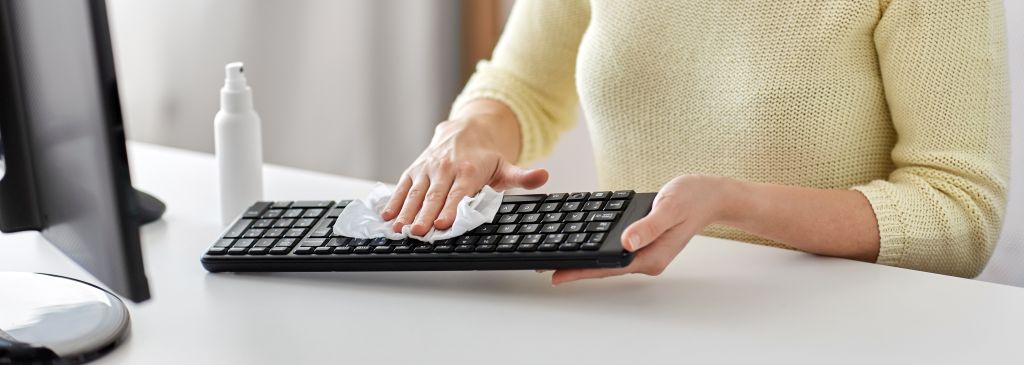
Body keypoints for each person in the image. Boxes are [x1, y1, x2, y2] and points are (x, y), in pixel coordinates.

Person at [383, 1, 1010, 284]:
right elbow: (521, 83)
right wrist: (468, 131)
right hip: (638, 314)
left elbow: (959, 211)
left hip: (834, 328)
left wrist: (736, 205)